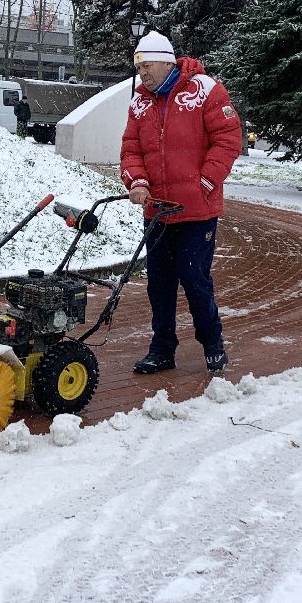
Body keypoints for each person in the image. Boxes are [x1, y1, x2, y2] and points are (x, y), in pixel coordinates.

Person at [120, 30, 243, 375]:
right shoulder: (140, 102)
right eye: (138, 65)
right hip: (157, 210)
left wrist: (205, 181)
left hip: (196, 211)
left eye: (145, 65)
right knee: (159, 284)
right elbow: (131, 150)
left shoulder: (205, 90)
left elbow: (228, 138)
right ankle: (162, 350)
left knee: (194, 279)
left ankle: (213, 342)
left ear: (165, 61)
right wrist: (138, 182)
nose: (141, 72)